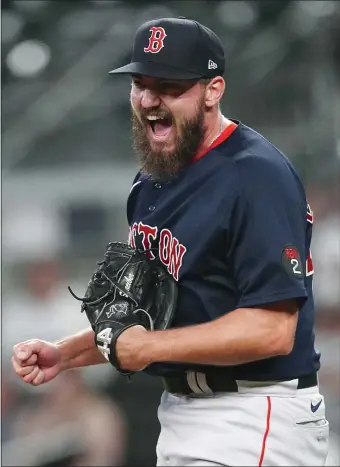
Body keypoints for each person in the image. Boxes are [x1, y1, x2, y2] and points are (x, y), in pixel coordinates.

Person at [11, 17, 329, 466]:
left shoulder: (255, 175)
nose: (148, 99)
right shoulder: (151, 181)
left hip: (257, 413)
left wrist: (148, 348)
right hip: (183, 413)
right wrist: (65, 354)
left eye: (169, 85)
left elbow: (273, 330)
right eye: (140, 83)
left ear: (212, 90)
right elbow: (147, 318)